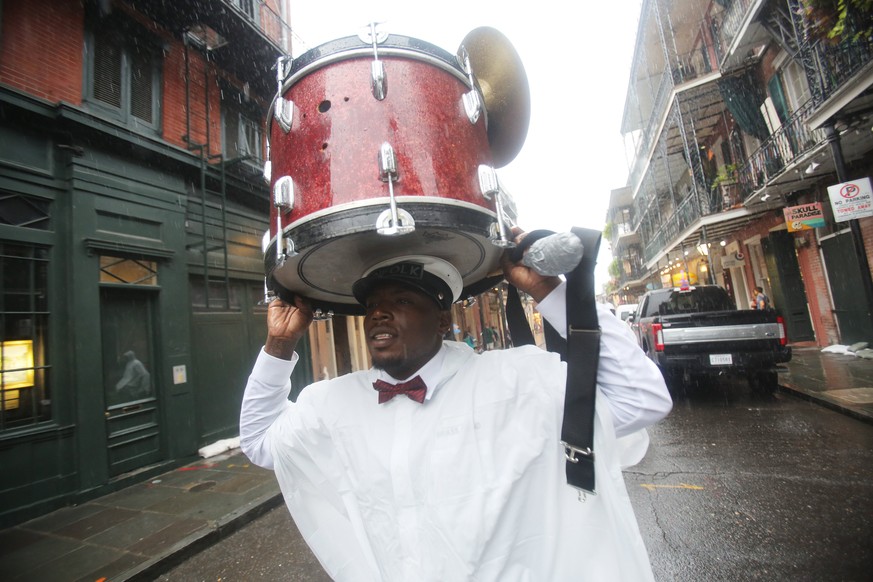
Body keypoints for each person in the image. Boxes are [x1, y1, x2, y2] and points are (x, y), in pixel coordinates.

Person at [240, 241, 672, 581]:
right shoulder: (332, 403)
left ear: (443, 320)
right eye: (372, 305)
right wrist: (279, 344)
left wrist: (547, 290)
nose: (379, 313)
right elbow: (260, 443)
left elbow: (642, 397)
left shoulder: (514, 382)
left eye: (402, 300)